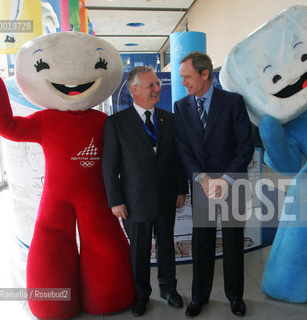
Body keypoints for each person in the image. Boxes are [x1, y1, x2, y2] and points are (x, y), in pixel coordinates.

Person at [102, 66, 188, 317]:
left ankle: (169, 289)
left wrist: (181, 189)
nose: (157, 89)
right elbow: (109, 166)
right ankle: (141, 295)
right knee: (139, 251)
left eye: (157, 84)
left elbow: (177, 159)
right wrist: (115, 200)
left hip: (166, 196)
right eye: (150, 85)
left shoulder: (169, 119)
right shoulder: (116, 123)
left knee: (166, 246)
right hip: (134, 199)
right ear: (134, 90)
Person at [174, 52, 254, 317]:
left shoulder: (232, 103)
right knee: (202, 243)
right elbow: (184, 151)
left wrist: (225, 179)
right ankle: (199, 297)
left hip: (232, 184)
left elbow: (245, 146)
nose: (184, 82)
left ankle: (235, 297)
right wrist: (203, 179)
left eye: (187, 77)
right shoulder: (181, 107)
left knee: (232, 242)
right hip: (202, 186)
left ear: (205, 74)